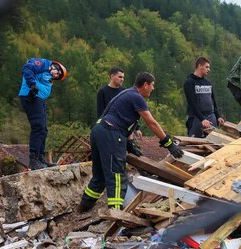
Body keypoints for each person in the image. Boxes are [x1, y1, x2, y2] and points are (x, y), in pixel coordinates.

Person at [77, 72, 184, 212]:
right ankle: (115, 212)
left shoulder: (126, 94)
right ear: (145, 85)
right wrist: (168, 143)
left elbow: (122, 120)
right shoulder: (136, 97)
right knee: (116, 175)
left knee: (100, 175)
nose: (153, 89)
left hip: (99, 131)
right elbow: (152, 123)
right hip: (111, 133)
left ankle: (84, 207)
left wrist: (129, 144)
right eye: (152, 85)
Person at [18, 57, 67, 170]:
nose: (56, 76)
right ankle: (34, 160)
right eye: (57, 73)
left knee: (44, 129)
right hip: (31, 96)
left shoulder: (48, 76)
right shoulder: (44, 64)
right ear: (55, 66)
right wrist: (32, 84)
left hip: (40, 100)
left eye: (58, 77)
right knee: (38, 127)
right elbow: (27, 68)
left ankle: (40, 158)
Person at [184, 57, 225, 137]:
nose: (208, 69)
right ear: (199, 66)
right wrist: (202, 119)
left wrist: (218, 116)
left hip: (211, 116)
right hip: (196, 118)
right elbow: (191, 103)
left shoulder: (208, 83)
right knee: (194, 144)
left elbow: (213, 101)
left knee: (214, 142)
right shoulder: (189, 82)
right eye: (206, 67)